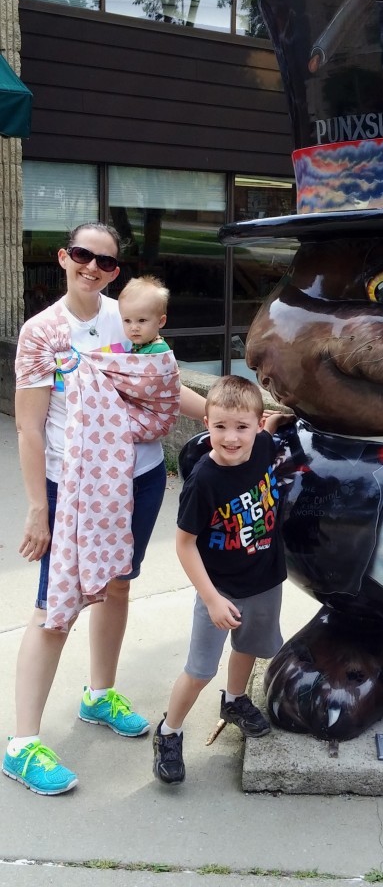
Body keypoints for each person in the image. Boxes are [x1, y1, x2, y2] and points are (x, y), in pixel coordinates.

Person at [4, 222, 206, 796]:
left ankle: (98, 693)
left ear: (117, 270)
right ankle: (21, 744)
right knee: (55, 605)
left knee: (117, 584)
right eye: (83, 256)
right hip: (74, 487)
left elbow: (162, 387)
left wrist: (221, 415)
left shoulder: (130, 316)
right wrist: (38, 510)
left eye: (107, 262)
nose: (93, 268)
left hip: (138, 480)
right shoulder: (43, 333)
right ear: (64, 258)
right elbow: (29, 426)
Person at [153, 375, 290, 786]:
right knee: (199, 669)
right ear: (206, 423)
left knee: (249, 646)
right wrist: (210, 598)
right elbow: (184, 544)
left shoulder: (262, 444)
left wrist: (277, 421)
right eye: (220, 427)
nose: (231, 438)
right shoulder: (204, 482)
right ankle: (170, 731)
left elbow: (268, 428)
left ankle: (234, 700)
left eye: (241, 427)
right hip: (221, 588)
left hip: (264, 579)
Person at [118, 275, 170, 353]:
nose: (134, 328)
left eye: (141, 320)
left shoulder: (158, 351)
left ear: (160, 322)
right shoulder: (139, 344)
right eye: (127, 320)